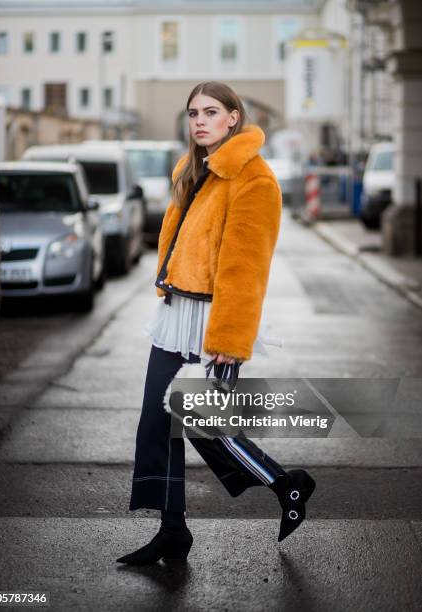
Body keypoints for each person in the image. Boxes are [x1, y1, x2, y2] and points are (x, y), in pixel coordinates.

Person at [116, 81, 316, 566]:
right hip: (175, 314)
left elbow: (247, 267)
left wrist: (231, 337)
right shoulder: (191, 170)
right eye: (192, 113)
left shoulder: (254, 178)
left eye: (210, 112)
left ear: (233, 117)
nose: (199, 121)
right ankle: (172, 530)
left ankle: (286, 485)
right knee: (157, 425)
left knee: (210, 427)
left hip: (216, 320)